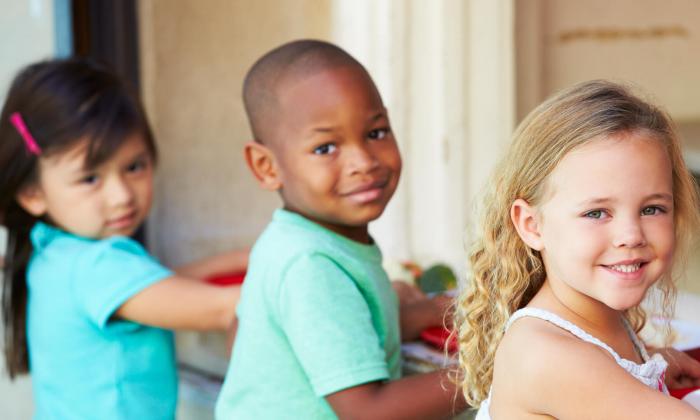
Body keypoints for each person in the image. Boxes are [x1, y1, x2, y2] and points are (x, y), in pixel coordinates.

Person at [215, 39, 465, 419]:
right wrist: (492, 369)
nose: (363, 162)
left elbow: (244, 336)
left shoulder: (292, 240)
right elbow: (368, 412)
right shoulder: (311, 264)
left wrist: (424, 314)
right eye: (325, 148)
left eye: (376, 133)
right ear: (267, 166)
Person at [0, 58, 248, 419]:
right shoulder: (99, 265)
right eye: (90, 179)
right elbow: (225, 308)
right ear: (33, 193)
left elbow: (158, 284)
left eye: (134, 167)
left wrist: (241, 258)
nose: (121, 196)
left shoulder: (51, 248)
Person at [455, 80, 700, 418]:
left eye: (652, 209)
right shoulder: (546, 355)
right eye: (596, 213)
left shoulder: (589, 321)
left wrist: (651, 361)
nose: (630, 235)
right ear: (531, 225)